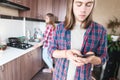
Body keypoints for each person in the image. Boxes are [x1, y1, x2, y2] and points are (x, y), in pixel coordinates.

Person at [48, 0, 108, 80]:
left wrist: (92, 59)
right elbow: (50, 50)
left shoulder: (100, 30)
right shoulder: (60, 27)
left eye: (88, 4)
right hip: (59, 76)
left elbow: (103, 58)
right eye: (79, 4)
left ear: (93, 5)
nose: (83, 9)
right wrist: (66, 54)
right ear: (71, 4)